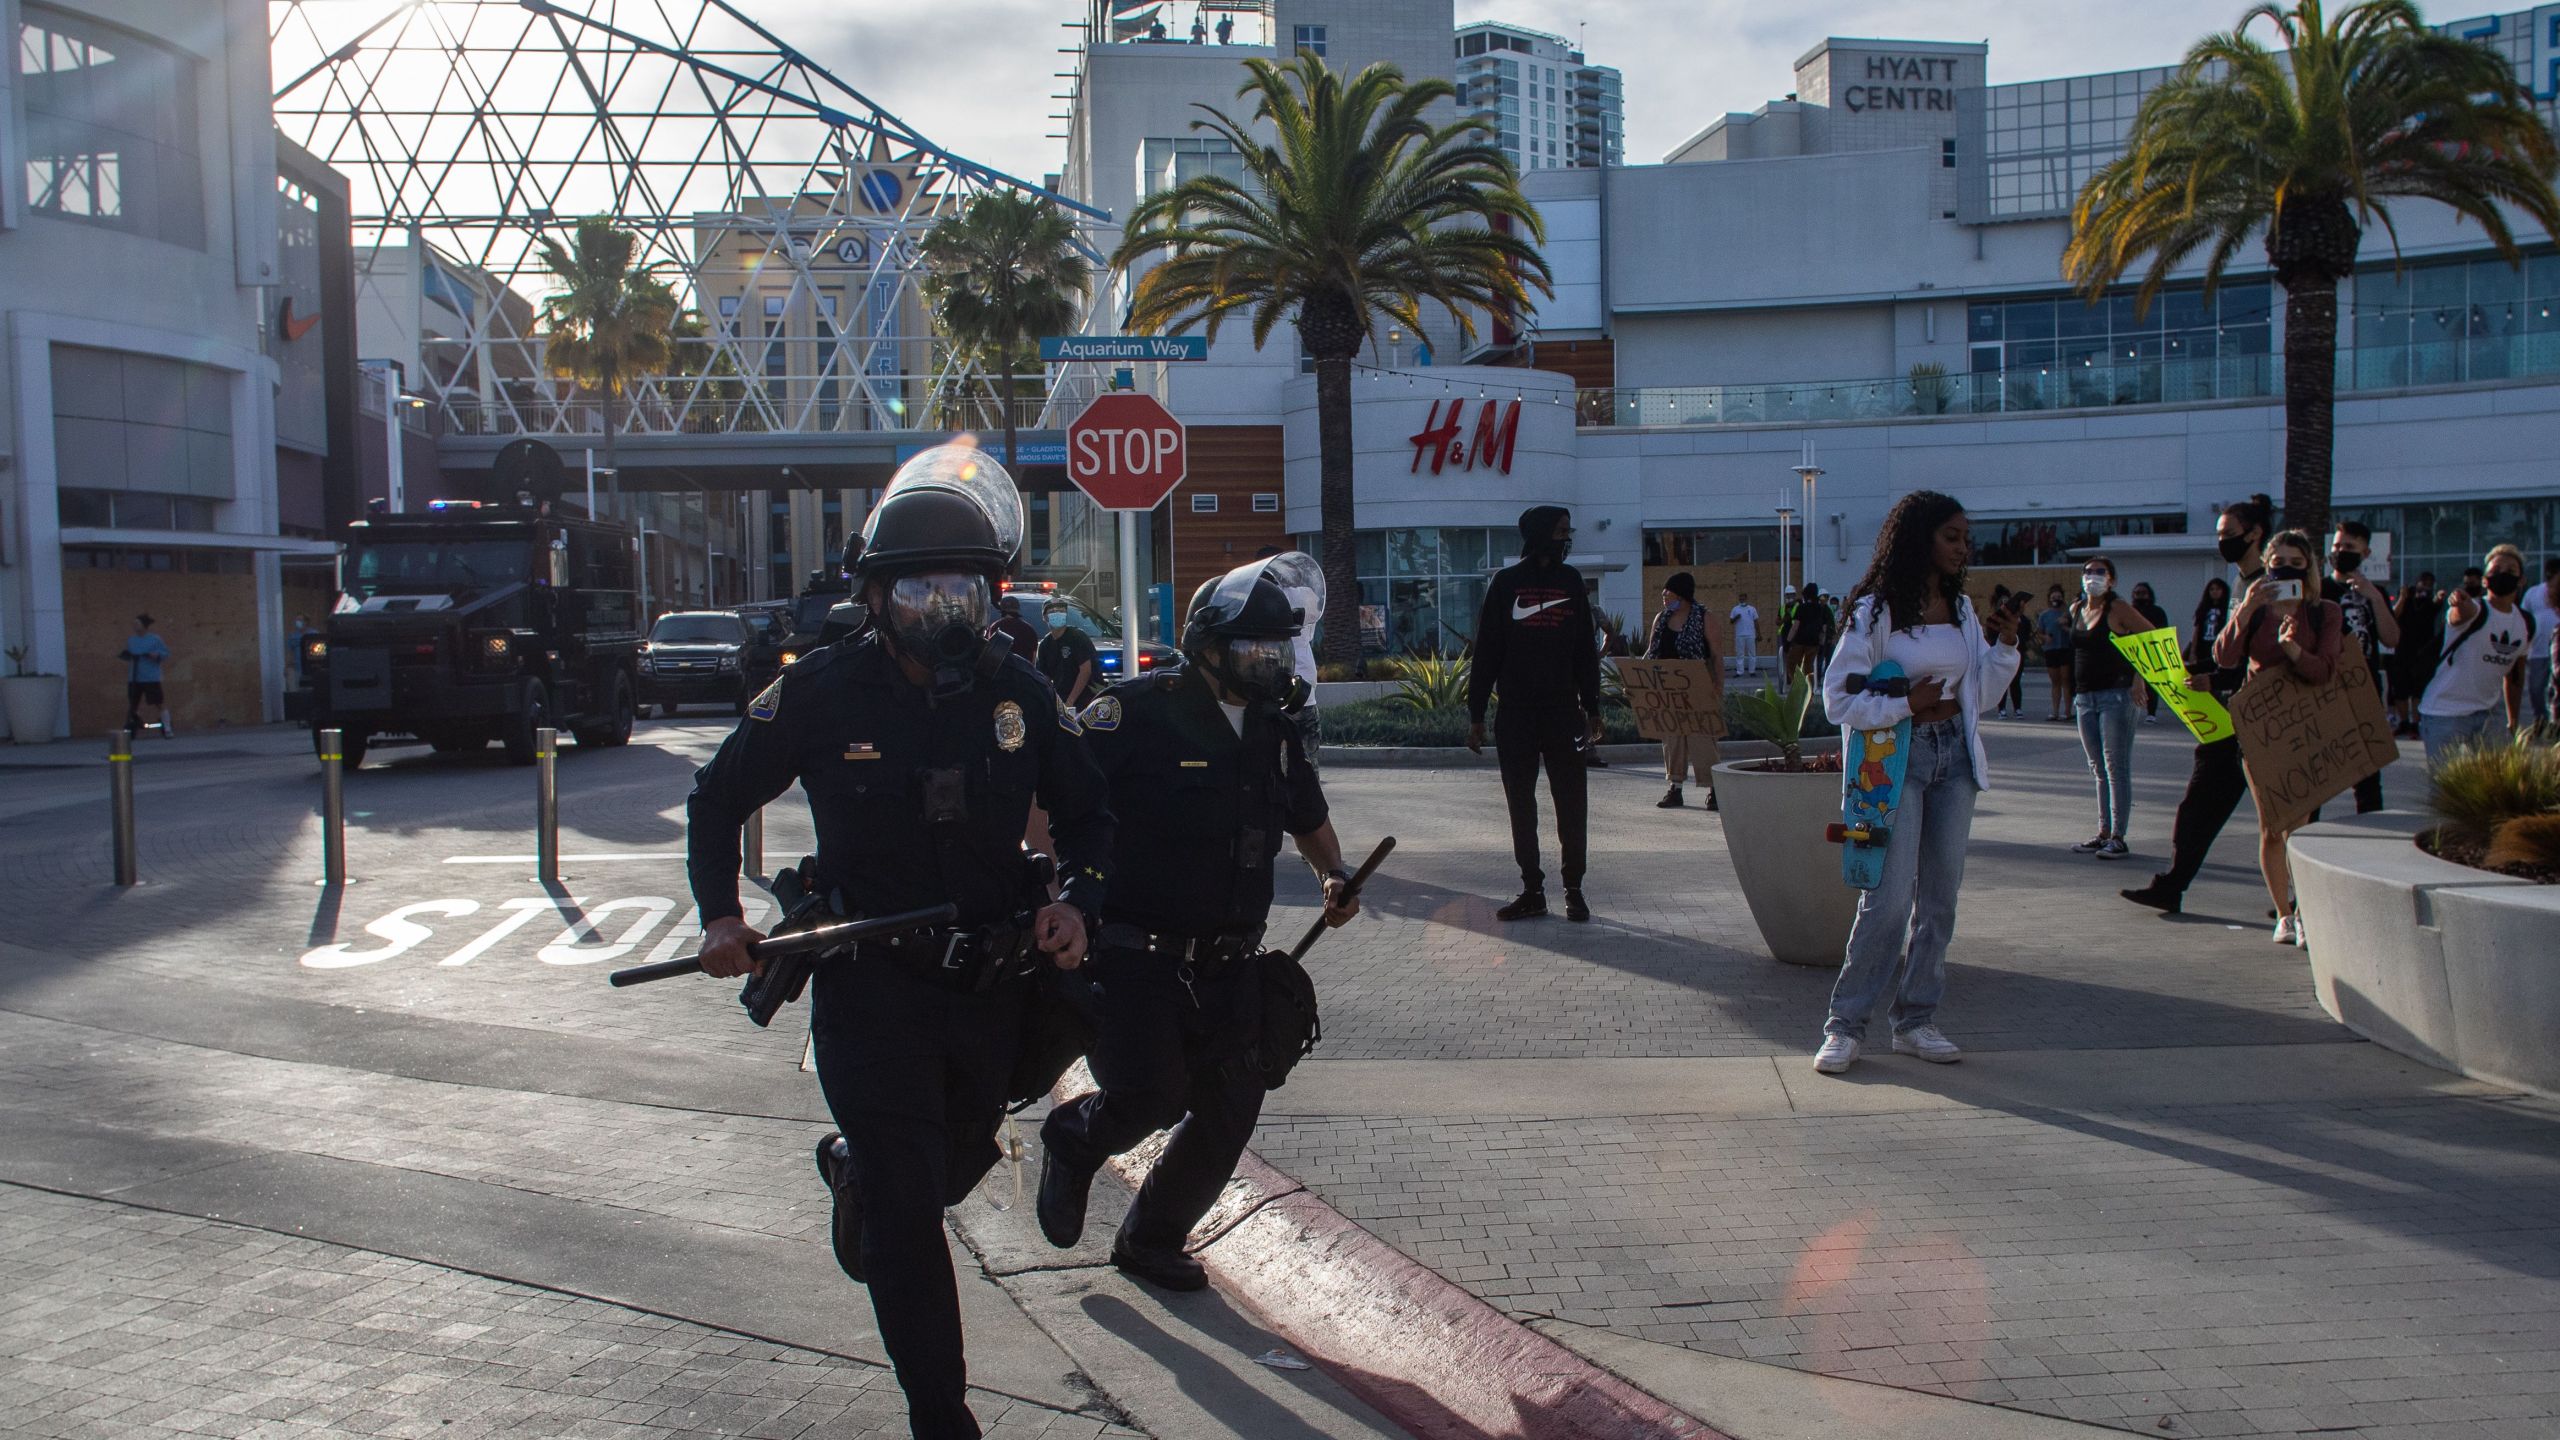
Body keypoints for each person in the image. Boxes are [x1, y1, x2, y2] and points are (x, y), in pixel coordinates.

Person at [684, 446, 1114, 1440]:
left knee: (938, 1172)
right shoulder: (823, 691)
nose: (942, 611)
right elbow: (715, 798)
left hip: (991, 993)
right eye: (917, 591)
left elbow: (1094, 817)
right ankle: (941, 1416)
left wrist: (1078, 903)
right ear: (874, 598)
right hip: (870, 991)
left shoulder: (1019, 695)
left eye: (962, 590)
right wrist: (718, 914)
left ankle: (856, 1177)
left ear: (993, 593)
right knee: (914, 1220)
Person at [1036, 558, 1360, 1289]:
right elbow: (1057, 799)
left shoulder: (1275, 729)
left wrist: (1334, 876)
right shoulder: (1135, 712)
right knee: (1151, 1095)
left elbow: (1309, 820)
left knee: (1230, 1107)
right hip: (1134, 954)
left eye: (1278, 650)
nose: (1269, 663)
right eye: (1254, 649)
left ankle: (1151, 1240)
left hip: (1233, 960)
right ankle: (1075, 1139)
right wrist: (1060, 893)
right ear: (1209, 646)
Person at [1812, 492, 2022, 1075]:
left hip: (1953, 761)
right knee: (1885, 901)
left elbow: (1978, 695)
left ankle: (1914, 1020)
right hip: (1893, 766)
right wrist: (1906, 701)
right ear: (1920, 538)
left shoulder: (1961, 610)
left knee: (1939, 902)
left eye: (1965, 538)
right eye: (1952, 536)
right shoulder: (1874, 613)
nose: (1963, 547)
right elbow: (1838, 700)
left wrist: (2004, 648)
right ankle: (1845, 1026)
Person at [2121, 494, 2274, 917]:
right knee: (2197, 807)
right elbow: (2231, 651)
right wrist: (2198, 670)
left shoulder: (2267, 585)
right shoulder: (2240, 585)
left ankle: (2295, 903)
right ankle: (2173, 884)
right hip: (2228, 719)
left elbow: (2263, 654)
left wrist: (2217, 677)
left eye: (2228, 533)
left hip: (2261, 720)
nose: (2222, 540)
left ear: (2255, 533)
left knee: (2281, 816)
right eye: (2220, 534)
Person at [1467, 506, 1601, 923]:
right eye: (1561, 531)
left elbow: (1585, 650)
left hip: (1563, 713)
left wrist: (1593, 707)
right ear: (1542, 533)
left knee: (1571, 803)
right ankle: (1532, 889)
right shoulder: (1506, 584)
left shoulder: (1571, 581)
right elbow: (1486, 651)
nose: (1567, 538)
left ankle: (1574, 889)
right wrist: (1475, 714)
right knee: (1521, 804)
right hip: (1517, 715)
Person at [2216, 529, 2343, 945]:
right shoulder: (2254, 607)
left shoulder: (2323, 612)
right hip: (2260, 729)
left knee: (2299, 826)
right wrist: (2248, 608)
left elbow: (2324, 670)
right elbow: (2225, 657)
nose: (2285, 568)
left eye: (2295, 562)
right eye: (2277, 561)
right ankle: (2285, 915)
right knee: (2273, 825)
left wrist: (2292, 650)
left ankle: (2304, 910)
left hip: (2305, 727)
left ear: (2309, 568)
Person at [2416, 543, 2537, 765]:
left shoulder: (2525, 622)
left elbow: (2514, 677)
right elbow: (2459, 613)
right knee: (2444, 788)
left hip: (2487, 714)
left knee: (2500, 782)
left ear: (2521, 581)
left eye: (2510, 571)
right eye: (2495, 571)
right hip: (2444, 713)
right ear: (2484, 580)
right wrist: (2459, 603)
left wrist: (2513, 721)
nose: (2502, 575)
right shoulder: (2476, 609)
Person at [2069, 556, 2148, 859]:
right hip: (2084, 698)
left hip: (2115, 695)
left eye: (2100, 572)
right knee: (2098, 768)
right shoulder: (2077, 608)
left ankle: (2119, 835)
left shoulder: (2118, 609)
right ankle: (2103, 832)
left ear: (2112, 580)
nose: (2093, 577)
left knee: (2116, 766)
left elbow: (2150, 636)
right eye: (2088, 571)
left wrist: (2139, 679)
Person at [2325, 521, 2400, 813]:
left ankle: (2371, 819)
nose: (2342, 552)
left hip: (2364, 688)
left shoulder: (2375, 594)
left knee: (2369, 772)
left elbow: (2391, 638)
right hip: (2327, 688)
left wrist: (2374, 598)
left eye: (2350, 548)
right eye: (2338, 546)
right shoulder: (2321, 589)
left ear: (2365, 553)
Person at [1645, 571, 1718, 810]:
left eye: (1669, 591)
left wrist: (1718, 689)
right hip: (1668, 693)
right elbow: (1651, 652)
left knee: (1702, 741)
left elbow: (1716, 656)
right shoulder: (1661, 619)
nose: (1664, 596)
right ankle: (1675, 788)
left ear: (1682, 594)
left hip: (1697, 690)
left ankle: (1713, 790)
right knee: (1672, 741)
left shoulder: (1704, 618)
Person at [2390, 572, 2441, 738]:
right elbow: (2394, 615)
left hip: (2422, 651)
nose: (2425, 586)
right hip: (2403, 648)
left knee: (2418, 690)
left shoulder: (2430, 601)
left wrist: (2438, 599)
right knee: (2400, 689)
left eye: (2429, 584)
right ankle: (2403, 722)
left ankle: (2415, 724)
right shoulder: (2407, 596)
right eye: (2423, 583)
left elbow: (2435, 612)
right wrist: (2403, 598)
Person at [1033, 594, 1098, 709]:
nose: (1057, 613)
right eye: (1052, 611)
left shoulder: (1077, 637)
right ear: (1044, 617)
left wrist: (1070, 702)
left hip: (1086, 700)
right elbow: (1045, 679)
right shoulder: (1044, 645)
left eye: (1061, 610)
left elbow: (1085, 671)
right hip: (1061, 700)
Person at [119, 614, 172, 738]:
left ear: (144, 625)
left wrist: (156, 655)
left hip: (150, 677)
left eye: (137, 623)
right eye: (134, 624)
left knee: (158, 702)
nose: (135, 626)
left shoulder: (155, 639)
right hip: (134, 677)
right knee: (133, 704)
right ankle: (134, 724)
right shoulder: (131, 640)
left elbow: (165, 653)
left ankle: (167, 727)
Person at [2523, 557, 2560, 731]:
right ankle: (2541, 720)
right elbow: (2524, 619)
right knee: (2536, 690)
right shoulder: (2533, 593)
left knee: (2554, 689)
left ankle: (2554, 724)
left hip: (2555, 649)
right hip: (2538, 651)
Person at [2128, 583, 2170, 723]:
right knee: (2129, 682)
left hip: (2151, 649)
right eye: (2137, 593)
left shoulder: (2157, 611)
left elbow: (2162, 631)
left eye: (2143, 593)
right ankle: (2130, 710)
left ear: (2149, 594)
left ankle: (2151, 713)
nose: (2140, 595)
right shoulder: (2129, 611)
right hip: (2131, 650)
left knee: (2151, 684)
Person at [1781, 583, 1836, 682]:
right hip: (1814, 642)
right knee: (1809, 667)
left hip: (1800, 641)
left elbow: (1795, 627)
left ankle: (1796, 684)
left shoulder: (1802, 608)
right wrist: (1821, 643)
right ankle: (1810, 689)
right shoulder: (1820, 609)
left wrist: (1787, 642)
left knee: (1792, 663)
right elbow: (1823, 628)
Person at [2034, 585, 2073, 720]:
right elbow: (2039, 633)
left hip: (2065, 648)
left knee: (2066, 680)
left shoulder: (2068, 613)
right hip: (2051, 650)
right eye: (2053, 597)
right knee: (2055, 681)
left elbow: (2075, 629)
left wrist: (2065, 624)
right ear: (2049, 599)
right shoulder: (2045, 615)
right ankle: (2055, 711)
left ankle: (2067, 711)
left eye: (2058, 597)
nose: (2056, 599)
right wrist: (2046, 638)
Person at [994, 593, 1042, 660]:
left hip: (999, 669)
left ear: (1001, 610)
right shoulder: (1029, 629)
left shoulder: (995, 627)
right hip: (1024, 669)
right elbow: (1033, 659)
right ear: (1017, 609)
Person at [1727, 591, 1760, 677]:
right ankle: (1739, 672)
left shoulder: (1752, 609)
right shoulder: (1735, 609)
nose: (1742, 599)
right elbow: (1731, 621)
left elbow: (1756, 621)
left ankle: (1752, 671)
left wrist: (1759, 634)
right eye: (1740, 597)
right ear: (1739, 598)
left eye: (1743, 597)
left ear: (1746, 598)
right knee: (1739, 654)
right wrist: (1736, 618)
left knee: (1752, 653)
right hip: (1739, 635)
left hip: (1751, 634)